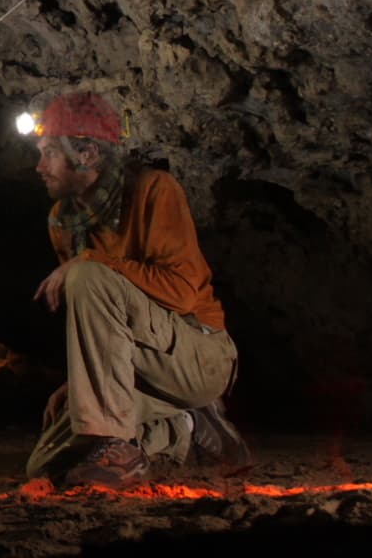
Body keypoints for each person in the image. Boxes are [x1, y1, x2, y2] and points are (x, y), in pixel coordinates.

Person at [22, 91, 251, 488]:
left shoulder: (154, 190)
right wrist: (83, 383)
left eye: (50, 154)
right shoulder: (63, 221)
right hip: (140, 368)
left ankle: (120, 449)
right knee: (46, 464)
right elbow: (99, 323)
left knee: (87, 277)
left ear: (87, 154)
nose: (40, 166)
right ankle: (184, 427)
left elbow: (181, 293)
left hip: (199, 354)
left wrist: (92, 261)